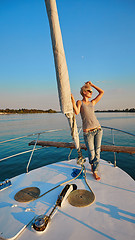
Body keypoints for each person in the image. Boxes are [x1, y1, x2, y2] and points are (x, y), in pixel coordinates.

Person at [71, 81, 104, 180]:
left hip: (98, 129)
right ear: (84, 92)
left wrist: (92, 85)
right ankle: (93, 165)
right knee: (92, 152)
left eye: (91, 91)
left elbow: (101, 92)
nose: (91, 93)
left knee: (97, 151)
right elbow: (76, 112)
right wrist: (72, 99)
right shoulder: (79, 102)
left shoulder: (92, 102)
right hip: (88, 132)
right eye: (89, 91)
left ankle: (95, 171)